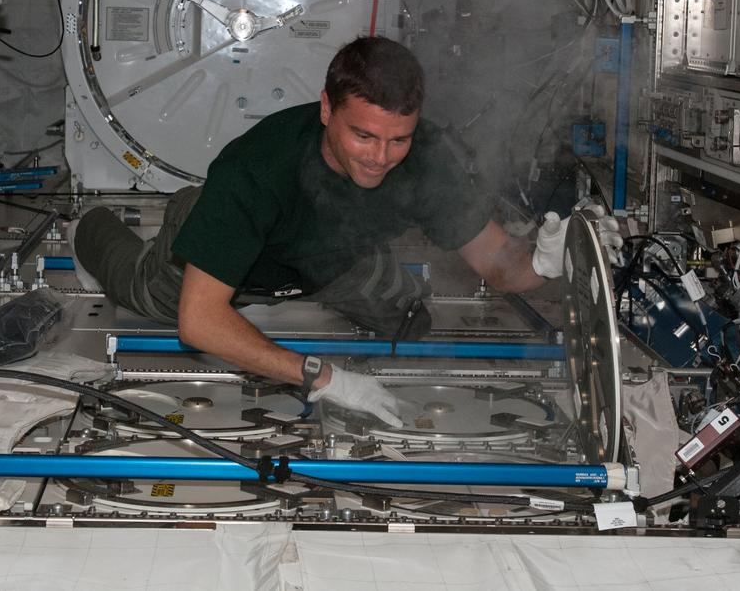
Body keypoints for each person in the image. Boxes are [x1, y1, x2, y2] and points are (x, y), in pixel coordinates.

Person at [74, 37, 567, 426]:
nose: (380, 158)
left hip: (335, 258)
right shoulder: (257, 170)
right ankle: (88, 229)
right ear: (327, 110)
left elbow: (499, 264)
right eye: (364, 135)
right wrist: (324, 377)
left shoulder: (426, 160)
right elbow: (200, 322)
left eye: (398, 139)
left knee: (410, 321)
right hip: (242, 256)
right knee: (137, 286)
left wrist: (546, 262)